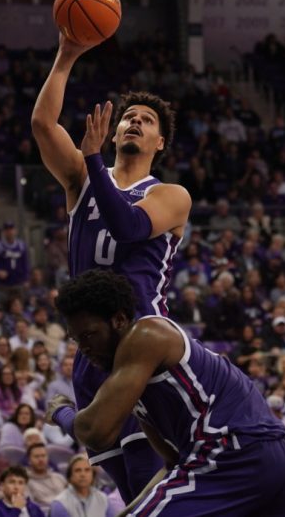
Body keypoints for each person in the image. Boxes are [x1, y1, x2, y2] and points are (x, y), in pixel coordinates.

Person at [32, 44, 191, 503]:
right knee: (126, 486)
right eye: (129, 116)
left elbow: (128, 225)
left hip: (143, 342)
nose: (135, 121)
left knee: (150, 487)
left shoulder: (170, 195)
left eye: (147, 120)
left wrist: (95, 161)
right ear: (115, 128)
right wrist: (65, 54)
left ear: (159, 143)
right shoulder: (82, 177)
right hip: (92, 351)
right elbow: (43, 125)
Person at [48, 269, 285, 517]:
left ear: (119, 320)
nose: (84, 348)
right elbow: (174, 463)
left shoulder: (146, 336)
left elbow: (96, 433)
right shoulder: (142, 387)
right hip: (280, 459)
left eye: (90, 335)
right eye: (76, 340)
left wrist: (62, 412)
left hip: (234, 455)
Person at [48, 455, 116, 517]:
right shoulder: (59, 503)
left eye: (87, 470)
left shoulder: (103, 499)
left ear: (93, 475)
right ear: (70, 476)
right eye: (78, 470)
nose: (83, 474)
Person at [22, 445, 65, 512]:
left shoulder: (59, 478)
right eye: (37, 456)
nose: (41, 459)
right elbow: (30, 508)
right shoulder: (25, 482)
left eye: (43, 456)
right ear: (29, 460)